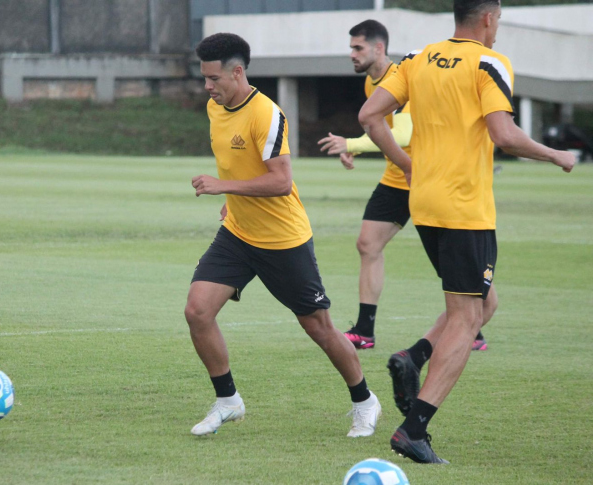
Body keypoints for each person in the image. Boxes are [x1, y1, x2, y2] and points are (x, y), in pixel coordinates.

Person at [358, 0, 576, 463]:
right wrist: (558, 155)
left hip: (425, 204)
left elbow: (370, 116)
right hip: (463, 209)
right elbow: (505, 135)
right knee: (466, 317)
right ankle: (412, 430)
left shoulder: (417, 58)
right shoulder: (489, 62)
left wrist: (406, 166)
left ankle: (413, 357)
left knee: (483, 302)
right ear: (489, 17)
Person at [186, 32, 381, 438]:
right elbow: (238, 163)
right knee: (198, 311)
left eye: (213, 79)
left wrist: (224, 187)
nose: (207, 87)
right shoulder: (214, 107)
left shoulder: (267, 115)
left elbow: (280, 181)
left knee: (319, 327)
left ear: (237, 72)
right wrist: (233, 199)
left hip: (283, 240)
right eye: (204, 78)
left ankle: (364, 401)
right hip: (238, 234)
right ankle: (228, 401)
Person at [318, 19, 488, 352]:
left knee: (453, 265)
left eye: (358, 48)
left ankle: (475, 326)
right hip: (398, 178)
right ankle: (365, 330)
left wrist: (352, 145)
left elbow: (405, 134)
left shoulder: (406, 76)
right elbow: (382, 131)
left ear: (379, 48)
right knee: (367, 244)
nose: (351, 54)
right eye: (351, 48)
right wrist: (360, 149)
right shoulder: (373, 83)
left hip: (428, 179)